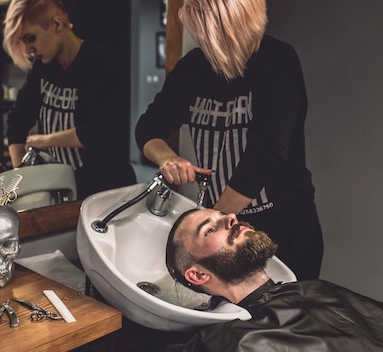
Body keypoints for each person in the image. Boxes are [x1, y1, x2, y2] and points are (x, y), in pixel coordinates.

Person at [135, 0, 322, 280]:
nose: (204, 45)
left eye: (209, 36)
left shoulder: (278, 63)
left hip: (284, 233)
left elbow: (265, 155)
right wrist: (167, 157)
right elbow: (148, 128)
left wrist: (210, 227)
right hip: (227, 237)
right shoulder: (193, 69)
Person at [162, 208, 383, 351]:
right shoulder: (228, 341)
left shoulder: (313, 290)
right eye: (211, 229)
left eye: (222, 216)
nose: (230, 218)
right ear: (199, 274)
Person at [3, 0, 136, 199]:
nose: (29, 49)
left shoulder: (100, 62)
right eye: (24, 42)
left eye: (32, 38)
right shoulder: (43, 67)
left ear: (57, 24)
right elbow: (17, 122)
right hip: (62, 186)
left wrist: (46, 141)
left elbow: (102, 129)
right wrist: (20, 178)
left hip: (106, 188)